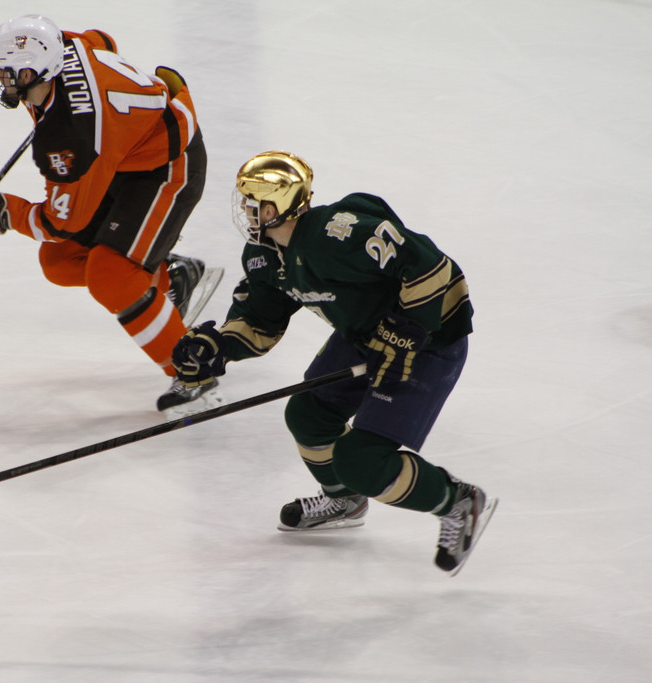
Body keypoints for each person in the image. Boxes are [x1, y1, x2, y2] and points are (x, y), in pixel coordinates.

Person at [171, 150, 497, 575]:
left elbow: (433, 268)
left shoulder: (334, 236)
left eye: (254, 203)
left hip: (429, 342)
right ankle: (346, 499)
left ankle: (457, 502)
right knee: (308, 415)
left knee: (362, 461)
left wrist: (406, 330)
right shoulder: (265, 256)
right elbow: (259, 323)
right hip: (366, 336)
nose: (246, 211)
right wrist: (216, 347)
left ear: (278, 206)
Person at [0, 14, 223, 417]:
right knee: (59, 262)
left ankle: (192, 370)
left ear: (30, 71)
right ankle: (172, 278)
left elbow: (60, 223)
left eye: (6, 72)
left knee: (110, 275)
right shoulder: (64, 45)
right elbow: (100, 40)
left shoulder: (68, 137)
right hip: (124, 158)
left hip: (167, 165)